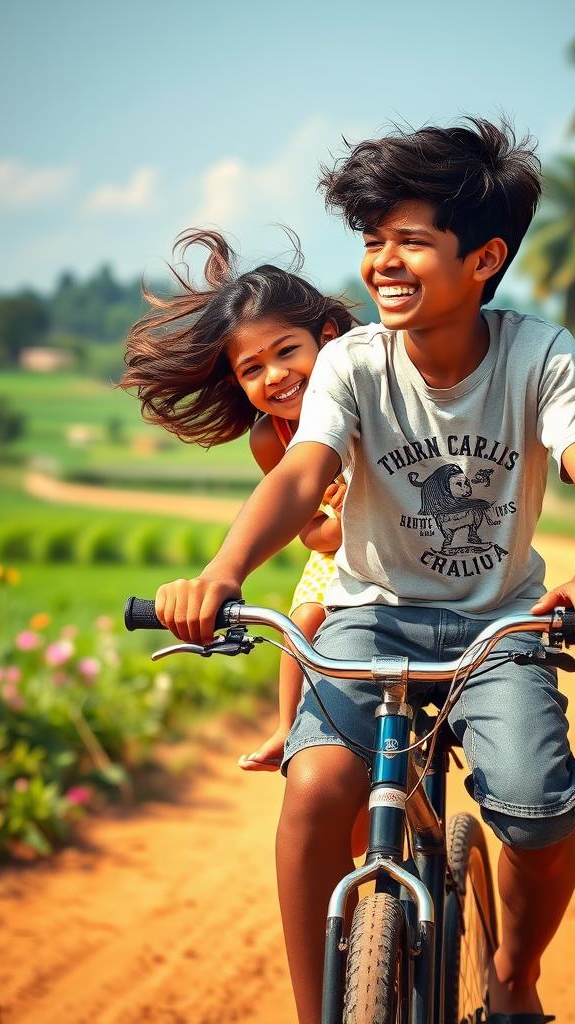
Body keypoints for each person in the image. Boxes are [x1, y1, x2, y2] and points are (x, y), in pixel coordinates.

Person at [154, 118, 575, 1024]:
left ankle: (514, 974)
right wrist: (224, 569)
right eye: (374, 242)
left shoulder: (540, 356)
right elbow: (302, 474)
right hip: (368, 618)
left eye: (411, 240)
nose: (383, 261)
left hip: (502, 627)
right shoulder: (349, 362)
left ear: (485, 257)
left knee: (538, 817)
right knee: (315, 790)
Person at [120, 228, 354, 771]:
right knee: (305, 618)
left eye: (288, 351)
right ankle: (286, 727)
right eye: (253, 368)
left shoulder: (371, 395)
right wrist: (341, 526)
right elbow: (309, 531)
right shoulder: (271, 438)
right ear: (237, 380)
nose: (275, 375)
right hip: (338, 553)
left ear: (326, 338)